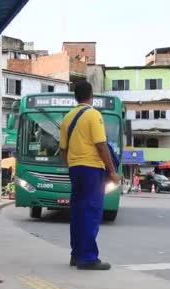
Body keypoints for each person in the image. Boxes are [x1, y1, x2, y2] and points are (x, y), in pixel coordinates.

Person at [59, 80, 119, 271]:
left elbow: (63, 150)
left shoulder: (67, 118)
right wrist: (112, 172)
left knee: (77, 212)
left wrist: (72, 166)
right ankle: (87, 258)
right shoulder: (93, 115)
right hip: (91, 169)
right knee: (91, 212)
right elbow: (101, 146)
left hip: (75, 169)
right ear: (91, 96)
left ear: (75, 96)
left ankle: (76, 255)